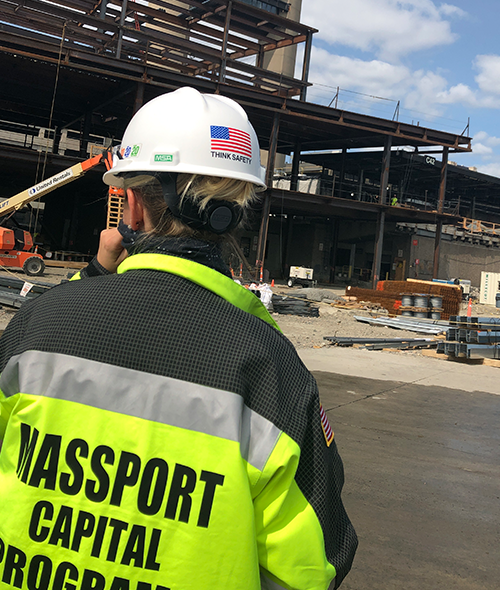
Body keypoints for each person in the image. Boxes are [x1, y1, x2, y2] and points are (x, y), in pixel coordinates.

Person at [0, 87, 357, 590]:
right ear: (238, 209)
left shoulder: (39, 326)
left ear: (131, 205)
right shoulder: (272, 368)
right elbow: (314, 563)